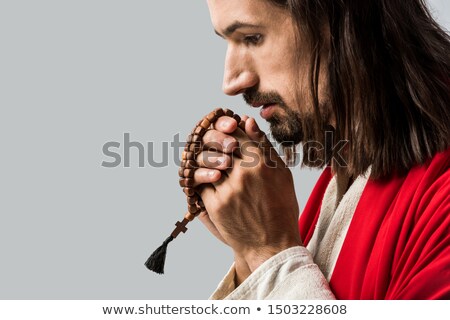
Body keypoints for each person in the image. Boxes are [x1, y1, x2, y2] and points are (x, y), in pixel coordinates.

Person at [191, 0, 450, 299]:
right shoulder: (345, 173)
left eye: (252, 38)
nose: (231, 82)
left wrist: (271, 254)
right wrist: (249, 256)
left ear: (340, 20)